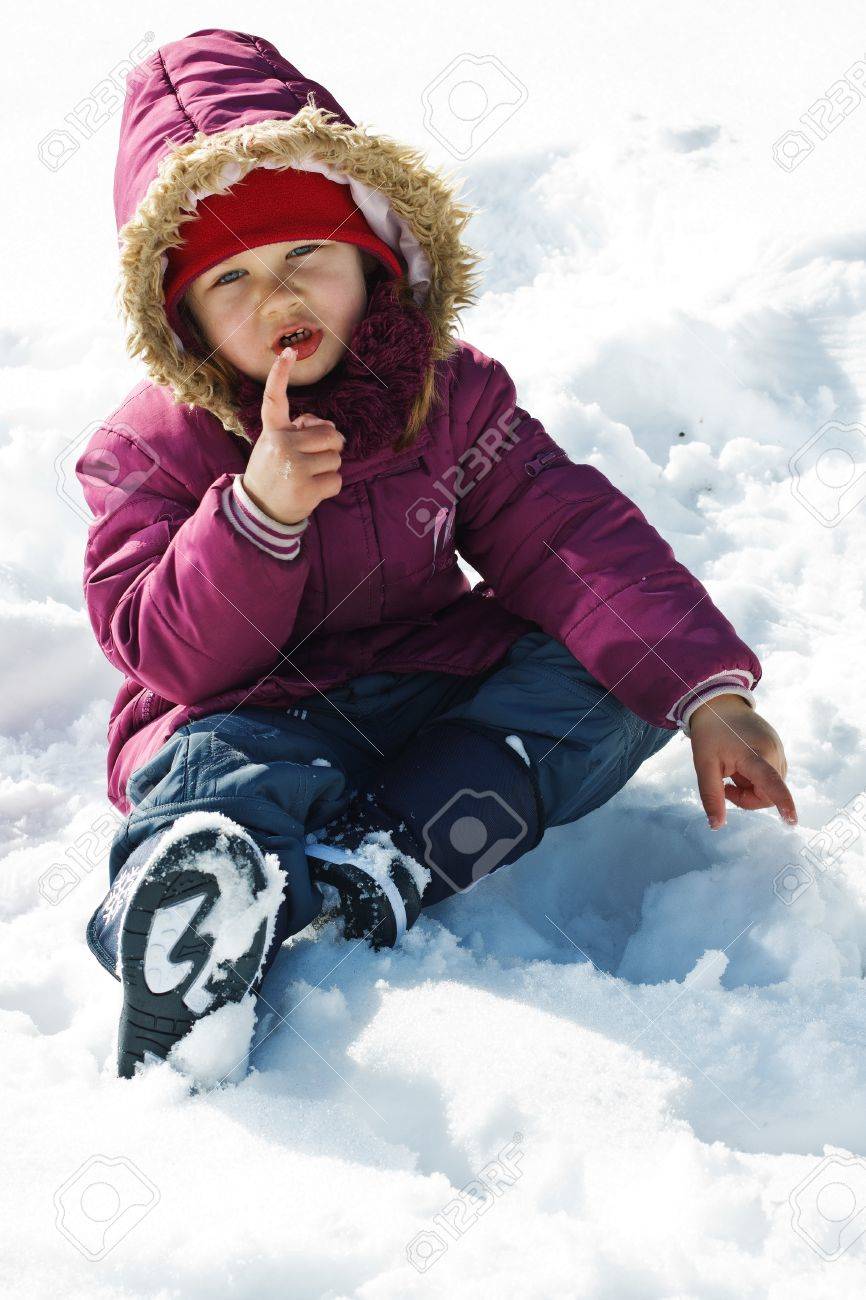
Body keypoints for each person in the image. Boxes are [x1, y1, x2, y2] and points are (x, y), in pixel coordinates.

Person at [77, 28, 797, 1079]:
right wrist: (255, 518)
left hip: (427, 690)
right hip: (254, 715)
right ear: (179, 318)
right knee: (205, 780)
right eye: (229, 279)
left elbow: (568, 535)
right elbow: (166, 655)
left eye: (304, 258)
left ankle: (386, 854)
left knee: (608, 682)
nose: (277, 301)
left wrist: (702, 694)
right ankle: (195, 914)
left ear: (373, 258)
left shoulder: (447, 399)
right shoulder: (150, 447)